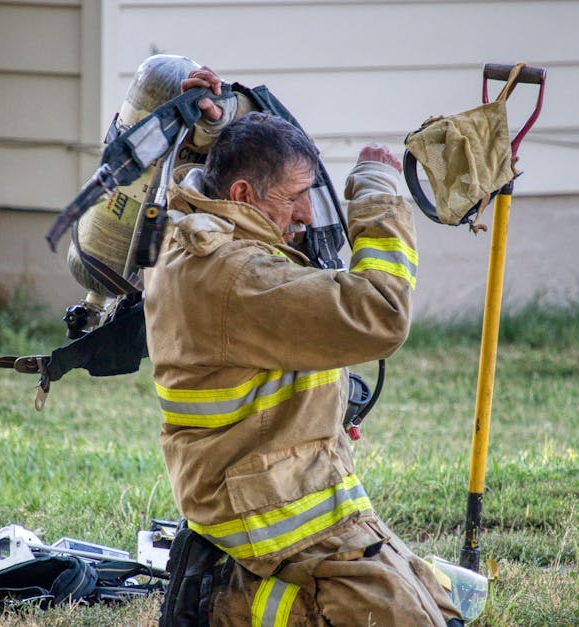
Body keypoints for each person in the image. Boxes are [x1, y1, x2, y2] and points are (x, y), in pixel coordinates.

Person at [144, 69, 462, 626]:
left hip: (294, 485)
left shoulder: (194, 219)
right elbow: (380, 314)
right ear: (243, 195)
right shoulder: (235, 276)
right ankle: (220, 602)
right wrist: (378, 195)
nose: (307, 214)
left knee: (440, 608)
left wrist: (210, 124)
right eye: (294, 197)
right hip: (270, 511)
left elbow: (216, 164)